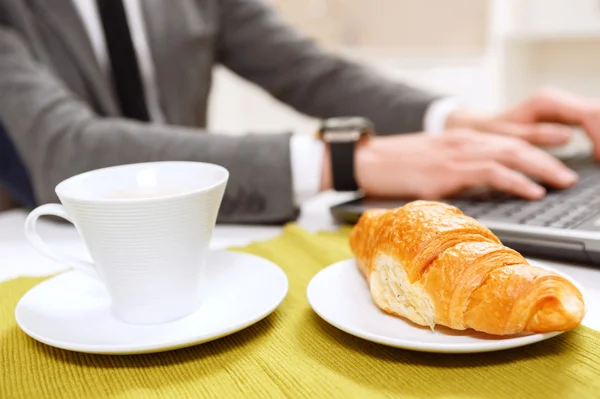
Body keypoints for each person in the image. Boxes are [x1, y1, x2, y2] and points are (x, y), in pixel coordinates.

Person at [0, 0, 598, 224]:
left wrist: (456, 123)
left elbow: (311, 72)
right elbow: (66, 148)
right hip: (37, 243)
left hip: (204, 234)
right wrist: (346, 160)